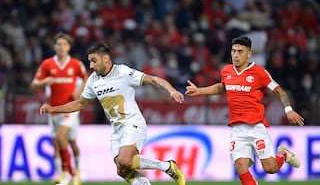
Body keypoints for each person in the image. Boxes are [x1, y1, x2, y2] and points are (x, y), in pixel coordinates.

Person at [39, 42, 186, 185]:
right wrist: (53, 108)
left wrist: (171, 90)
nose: (91, 66)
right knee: (122, 170)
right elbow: (79, 103)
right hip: (117, 130)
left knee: (125, 160)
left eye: (94, 61)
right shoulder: (92, 80)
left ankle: (167, 166)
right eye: (90, 61)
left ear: (106, 59)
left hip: (133, 123)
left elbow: (153, 79)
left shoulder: (122, 72)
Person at [185, 36, 304, 185]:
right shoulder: (227, 70)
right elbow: (222, 87)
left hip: (256, 127)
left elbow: (281, 92)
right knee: (240, 166)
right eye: (233, 51)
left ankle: (283, 155)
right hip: (237, 128)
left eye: (240, 51)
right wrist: (198, 91)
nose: (235, 55)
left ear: (249, 54)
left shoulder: (259, 72)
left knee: (270, 168)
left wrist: (288, 110)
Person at [31, 32, 88, 185]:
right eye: (59, 44)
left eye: (64, 44)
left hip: (70, 109)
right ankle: (65, 175)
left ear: (69, 47)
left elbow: (87, 78)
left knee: (65, 139)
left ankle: (71, 173)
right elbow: (34, 84)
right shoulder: (47, 64)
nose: (61, 47)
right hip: (54, 110)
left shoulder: (76, 64)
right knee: (59, 142)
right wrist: (44, 82)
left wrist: (79, 91)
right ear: (54, 46)